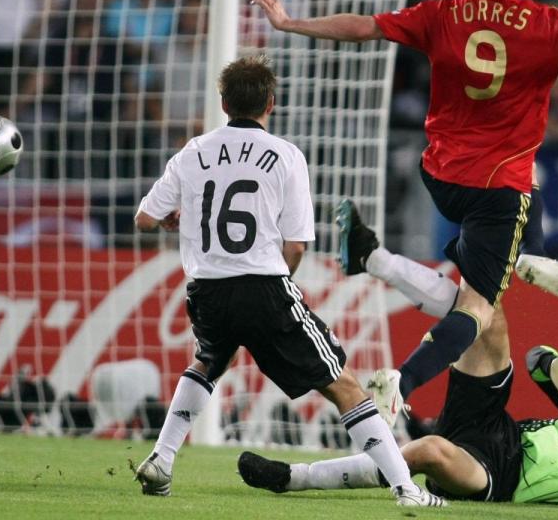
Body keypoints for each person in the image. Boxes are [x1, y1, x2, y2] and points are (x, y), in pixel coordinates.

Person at [250, 0, 558, 421]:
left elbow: (364, 27)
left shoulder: (444, 14)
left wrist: (290, 22)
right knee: (478, 311)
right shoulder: (545, 24)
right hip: (496, 189)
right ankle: (401, 381)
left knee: (526, 192)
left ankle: (531, 251)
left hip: (443, 176)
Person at [132, 56, 445, 507]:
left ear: (223, 103)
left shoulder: (193, 151)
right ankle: (406, 489)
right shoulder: (285, 156)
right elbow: (296, 246)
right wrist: (277, 292)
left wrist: (172, 220)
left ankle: (162, 460)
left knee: (207, 362)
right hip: (264, 286)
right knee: (344, 385)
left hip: (207, 290)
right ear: (271, 104)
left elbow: (145, 217)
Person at [238, 311, 558, 509]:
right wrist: (555, 364)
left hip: (501, 476)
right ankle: (403, 378)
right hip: (501, 430)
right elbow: (540, 364)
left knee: (429, 449)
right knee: (489, 317)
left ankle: (294, 477)